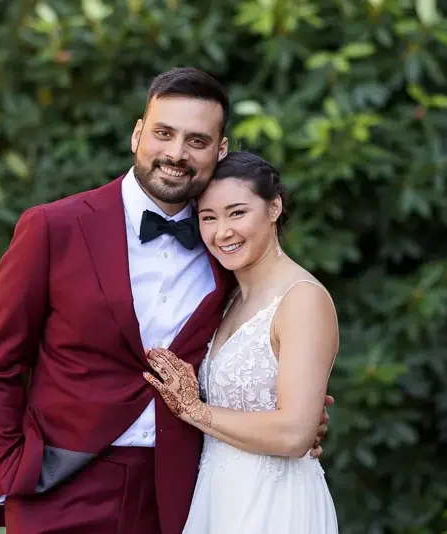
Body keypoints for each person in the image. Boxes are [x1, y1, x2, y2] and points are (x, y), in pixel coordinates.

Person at [0, 68, 333, 534]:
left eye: (197, 140)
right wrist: (8, 474)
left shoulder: (225, 246)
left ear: (220, 150)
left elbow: (271, 348)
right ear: (137, 133)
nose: (177, 154)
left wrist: (297, 418)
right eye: (164, 133)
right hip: (59, 486)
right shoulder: (53, 227)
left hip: (181, 493)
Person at [143, 150, 340, 533]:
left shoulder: (302, 299)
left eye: (237, 213)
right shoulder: (229, 296)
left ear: (274, 208)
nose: (222, 232)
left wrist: (193, 410)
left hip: (277, 503)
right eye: (208, 217)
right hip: (218, 496)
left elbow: (295, 434)